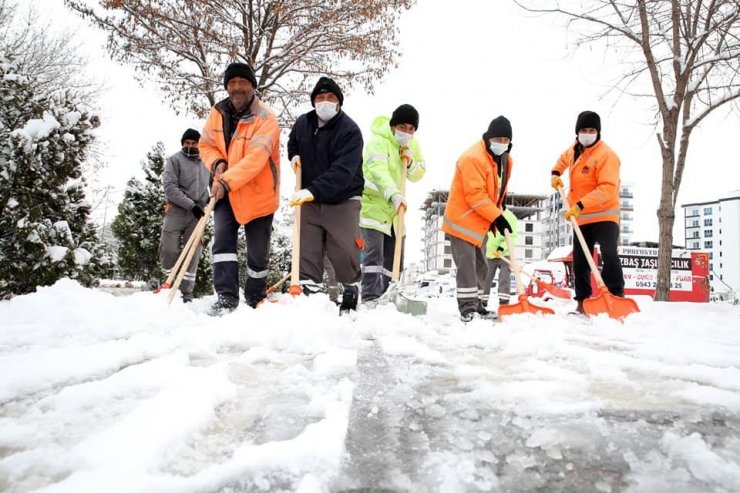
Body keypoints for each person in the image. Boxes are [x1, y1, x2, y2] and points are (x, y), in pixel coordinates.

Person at [199, 62, 280, 314]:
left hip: (258, 195)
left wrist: (225, 180)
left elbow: (255, 159)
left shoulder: (266, 118)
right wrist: (218, 163)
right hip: (225, 193)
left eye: (242, 82)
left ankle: (255, 298)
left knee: (257, 255)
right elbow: (206, 145)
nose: (236, 87)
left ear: (253, 86)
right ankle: (226, 297)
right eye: (231, 83)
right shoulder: (217, 113)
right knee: (222, 243)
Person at [287, 76, 364, 313]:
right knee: (307, 248)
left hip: (343, 199)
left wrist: (312, 190)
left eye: (331, 97)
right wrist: (294, 156)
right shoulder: (303, 123)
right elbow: (293, 142)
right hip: (310, 198)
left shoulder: (349, 130)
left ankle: (350, 290)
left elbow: (342, 172)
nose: (325, 102)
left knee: (343, 249)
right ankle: (310, 297)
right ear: (313, 101)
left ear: (339, 102)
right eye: (320, 97)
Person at [551, 110, 624, 314]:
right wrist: (556, 174)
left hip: (604, 215)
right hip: (581, 217)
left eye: (592, 130)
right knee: (581, 260)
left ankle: (616, 295)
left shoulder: (607, 156)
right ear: (577, 132)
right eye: (584, 130)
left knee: (609, 253)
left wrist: (580, 205)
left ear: (598, 132)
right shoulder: (575, 149)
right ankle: (582, 300)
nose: (587, 133)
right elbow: (562, 159)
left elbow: (608, 188)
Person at [442, 116, 514, 322]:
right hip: (461, 221)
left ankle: (478, 304)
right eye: (497, 138)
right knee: (467, 266)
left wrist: (500, 205)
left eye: (505, 139)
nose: (501, 143)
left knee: (481, 265)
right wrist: (498, 217)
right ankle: (467, 309)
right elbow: (475, 194)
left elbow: (498, 187)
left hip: (480, 223)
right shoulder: (473, 158)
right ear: (488, 137)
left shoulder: (506, 160)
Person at [359, 104, 425, 304]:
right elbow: (378, 171)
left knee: (394, 260)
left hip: (396, 213)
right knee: (374, 258)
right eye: (403, 127)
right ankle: (370, 298)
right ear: (394, 125)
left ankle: (388, 298)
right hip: (373, 207)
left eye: (411, 129)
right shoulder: (378, 142)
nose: (407, 132)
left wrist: (412, 162)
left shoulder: (412, 145)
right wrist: (393, 194)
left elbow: (418, 173)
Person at [159, 128, 211, 302]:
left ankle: (186, 293)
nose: (190, 146)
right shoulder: (174, 160)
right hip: (176, 210)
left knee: (193, 252)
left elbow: (215, 184)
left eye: (193, 143)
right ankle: (168, 285)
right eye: (187, 143)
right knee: (169, 249)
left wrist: (211, 202)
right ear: (182, 143)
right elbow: (170, 187)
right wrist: (190, 205)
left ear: (199, 144)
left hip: (197, 214)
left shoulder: (206, 162)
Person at [481, 208, 518, 309]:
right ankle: (482, 301)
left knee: (504, 277)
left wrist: (502, 247)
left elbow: (512, 236)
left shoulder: (510, 217)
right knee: (486, 277)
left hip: (504, 253)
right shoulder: (489, 212)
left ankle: (504, 302)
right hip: (490, 253)